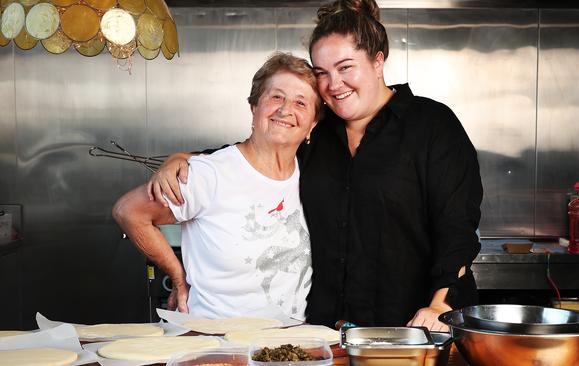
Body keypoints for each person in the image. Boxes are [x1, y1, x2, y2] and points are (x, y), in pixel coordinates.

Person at [149, 0, 482, 331]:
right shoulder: (316, 133)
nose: (333, 84)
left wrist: (440, 304)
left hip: (407, 329)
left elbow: (457, 230)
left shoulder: (432, 126)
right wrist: (186, 157)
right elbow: (251, 154)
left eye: (345, 67)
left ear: (378, 61)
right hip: (321, 332)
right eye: (322, 73)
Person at [112, 53, 322, 320]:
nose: (285, 110)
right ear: (254, 106)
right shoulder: (210, 174)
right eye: (276, 97)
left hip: (288, 350)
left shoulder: (312, 177)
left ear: (312, 124)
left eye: (301, 103)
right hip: (217, 346)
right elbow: (129, 211)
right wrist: (178, 276)